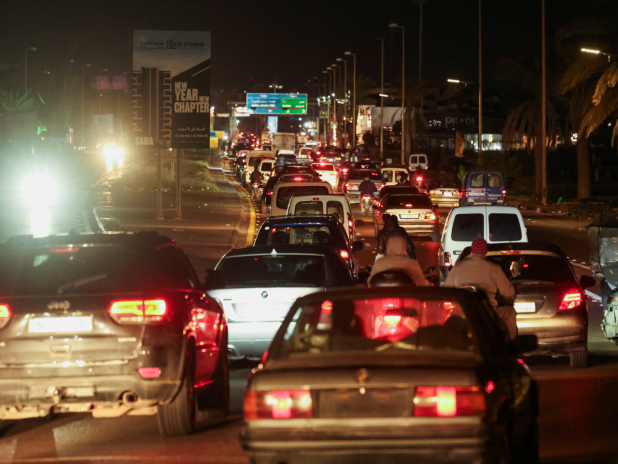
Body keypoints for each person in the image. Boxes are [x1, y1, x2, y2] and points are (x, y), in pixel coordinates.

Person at [444, 238, 517, 338]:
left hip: (463, 311)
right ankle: (509, 343)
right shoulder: (493, 268)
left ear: (472, 251)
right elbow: (508, 292)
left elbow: (446, 289)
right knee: (510, 312)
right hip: (487, 312)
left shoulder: (457, 267)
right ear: (485, 252)